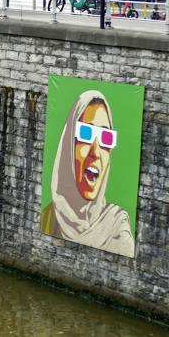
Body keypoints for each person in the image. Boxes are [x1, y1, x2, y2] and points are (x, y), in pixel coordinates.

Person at [39, 90, 135, 257]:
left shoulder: (118, 232)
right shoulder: (49, 216)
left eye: (106, 138)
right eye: (85, 133)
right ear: (68, 145)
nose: (96, 152)